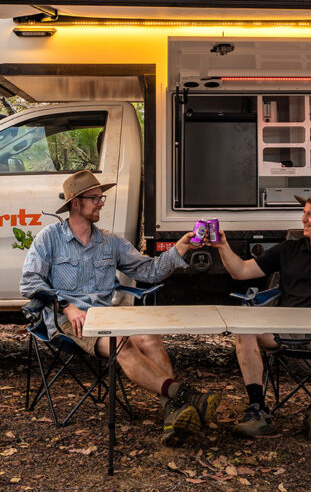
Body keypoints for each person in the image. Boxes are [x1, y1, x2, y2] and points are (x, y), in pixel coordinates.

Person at [20, 170, 220, 446]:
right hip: (69, 322)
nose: (102, 202)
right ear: (76, 203)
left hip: (106, 316)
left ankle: (172, 411)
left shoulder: (110, 242)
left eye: (102, 197)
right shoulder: (49, 239)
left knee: (150, 339)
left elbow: (148, 270)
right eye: (95, 198)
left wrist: (180, 249)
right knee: (121, 346)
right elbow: (29, 282)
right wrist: (65, 306)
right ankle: (185, 394)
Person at [206, 190, 311, 440]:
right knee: (245, 330)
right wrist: (222, 246)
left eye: (310, 215)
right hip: (283, 331)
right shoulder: (288, 250)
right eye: (304, 213)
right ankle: (257, 410)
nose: (303, 219)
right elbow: (241, 271)